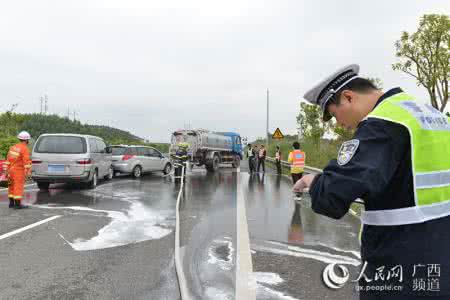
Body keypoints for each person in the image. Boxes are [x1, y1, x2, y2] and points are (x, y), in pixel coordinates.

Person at [293, 64, 450, 299]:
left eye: (335, 115)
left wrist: (314, 181)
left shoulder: (382, 124)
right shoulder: (432, 115)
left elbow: (333, 196)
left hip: (398, 262)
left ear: (348, 97)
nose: (339, 124)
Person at [4, 131, 32, 209]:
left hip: (10, 170)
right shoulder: (24, 149)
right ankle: (17, 204)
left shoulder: (13, 147)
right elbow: (26, 162)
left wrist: (6, 171)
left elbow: (8, 160)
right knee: (18, 187)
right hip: (18, 171)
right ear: (26, 140)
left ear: (19, 139)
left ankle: (11, 203)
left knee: (11, 186)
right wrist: (28, 172)